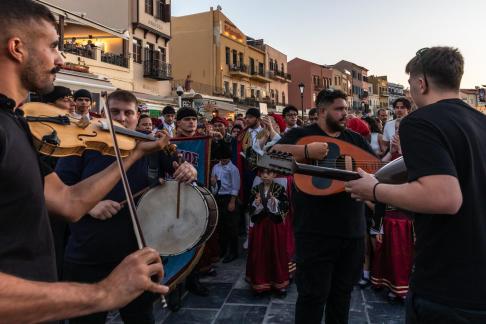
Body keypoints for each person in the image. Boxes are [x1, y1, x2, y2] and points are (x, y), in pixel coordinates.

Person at [0, 1, 170, 322]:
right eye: (52, 46)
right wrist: (103, 293)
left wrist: (134, 154)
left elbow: (69, 201)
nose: (60, 59)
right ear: (17, 48)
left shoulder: (15, 124)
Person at [345, 46, 486, 323]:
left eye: (410, 85)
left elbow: (444, 197)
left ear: (421, 83)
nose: (409, 93)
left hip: (447, 287)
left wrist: (373, 189)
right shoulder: (481, 122)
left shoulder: (420, 122)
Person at [55, 90, 197, 323]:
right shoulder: (82, 144)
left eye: (128, 113)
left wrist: (189, 171)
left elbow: (183, 171)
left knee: (140, 318)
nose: (121, 118)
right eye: (115, 112)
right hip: (88, 254)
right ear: (103, 114)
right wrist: (91, 206)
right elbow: (60, 190)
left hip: (137, 255)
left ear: (136, 115)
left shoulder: (150, 147)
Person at [272, 89, 374, 324]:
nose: (345, 114)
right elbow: (269, 158)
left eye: (346, 109)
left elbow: (374, 169)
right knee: (312, 297)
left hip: (351, 232)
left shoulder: (355, 140)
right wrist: (306, 151)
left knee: (342, 297)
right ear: (321, 111)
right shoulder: (300, 135)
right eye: (339, 109)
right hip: (314, 232)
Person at [246, 168, 290, 295]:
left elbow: (285, 208)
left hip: (274, 227)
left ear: (274, 174)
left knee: (276, 251)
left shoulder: (280, 189)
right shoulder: (255, 189)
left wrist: (274, 202)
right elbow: (250, 208)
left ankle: (278, 282)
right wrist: (256, 204)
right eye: (263, 173)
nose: (265, 176)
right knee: (260, 252)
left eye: (268, 173)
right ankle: (260, 282)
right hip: (260, 226)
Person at [210, 143, 240, 263]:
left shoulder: (233, 169)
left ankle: (233, 252)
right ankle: (222, 250)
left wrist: (232, 201)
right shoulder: (215, 168)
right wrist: (213, 183)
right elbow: (214, 185)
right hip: (218, 197)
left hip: (229, 198)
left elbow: (235, 186)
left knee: (231, 227)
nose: (223, 161)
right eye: (221, 159)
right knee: (221, 226)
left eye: (225, 159)